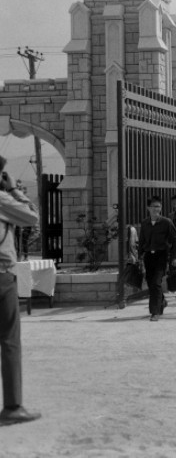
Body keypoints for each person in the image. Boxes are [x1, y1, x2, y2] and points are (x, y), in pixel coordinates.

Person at [0, 159, 41, 426]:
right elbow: (32, 216)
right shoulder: (2, 199)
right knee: (9, 340)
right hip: (2, 275)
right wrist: (13, 190)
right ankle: (13, 406)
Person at [138, 195, 176, 321]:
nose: (156, 209)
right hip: (148, 257)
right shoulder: (145, 223)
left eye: (158, 206)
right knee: (152, 283)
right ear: (148, 208)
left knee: (156, 282)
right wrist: (139, 257)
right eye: (153, 207)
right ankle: (162, 302)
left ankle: (155, 312)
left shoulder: (166, 222)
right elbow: (141, 241)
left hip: (161, 256)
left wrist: (175, 257)